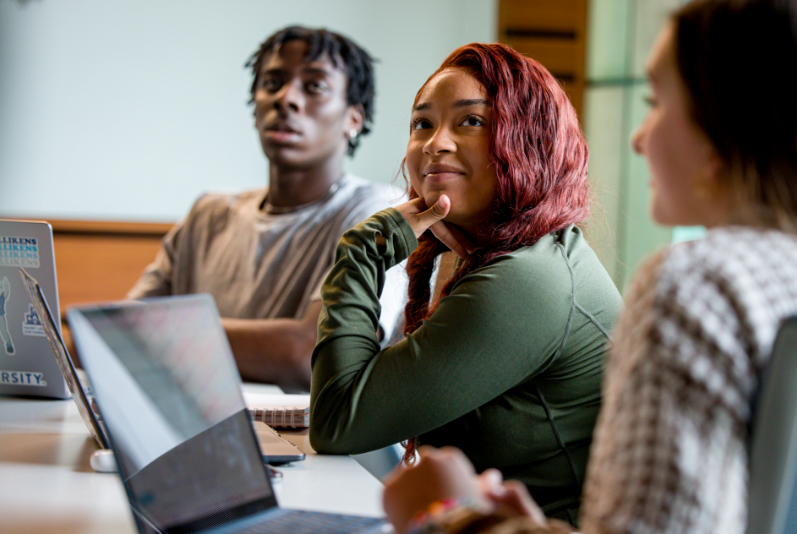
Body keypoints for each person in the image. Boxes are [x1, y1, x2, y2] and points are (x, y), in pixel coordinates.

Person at [380, 0, 797, 532]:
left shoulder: (697, 282)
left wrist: (452, 514)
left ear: (724, 124)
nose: (638, 138)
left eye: (655, 104)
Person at [309, 43, 622, 525]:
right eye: (422, 124)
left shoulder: (527, 280)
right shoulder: (505, 256)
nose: (435, 143)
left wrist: (364, 249)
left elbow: (337, 422)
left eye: (470, 121)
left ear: (530, 140)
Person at [128, 26, 404, 392]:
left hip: (305, 430)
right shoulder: (207, 214)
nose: (286, 99)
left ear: (353, 119)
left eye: (315, 86)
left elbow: (314, 353)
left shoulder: (380, 212)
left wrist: (159, 333)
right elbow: (115, 334)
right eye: (273, 83)